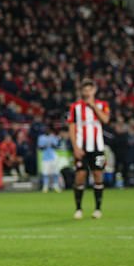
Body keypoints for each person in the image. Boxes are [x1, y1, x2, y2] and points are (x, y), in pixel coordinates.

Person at [67, 78, 110, 219]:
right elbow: (72, 128)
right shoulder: (75, 107)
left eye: (89, 89)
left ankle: (98, 209)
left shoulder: (102, 105)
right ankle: (78, 209)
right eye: (84, 89)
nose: (87, 92)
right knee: (80, 176)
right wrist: (75, 147)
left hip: (97, 147)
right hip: (81, 148)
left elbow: (105, 120)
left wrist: (93, 106)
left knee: (98, 175)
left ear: (94, 90)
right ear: (81, 91)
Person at [37, 125, 61, 192]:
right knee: (45, 173)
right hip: (45, 157)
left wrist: (52, 144)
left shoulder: (53, 137)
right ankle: (45, 186)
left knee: (55, 172)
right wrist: (45, 145)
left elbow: (57, 146)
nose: (47, 131)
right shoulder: (41, 138)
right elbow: (40, 147)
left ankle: (56, 186)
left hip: (53, 157)